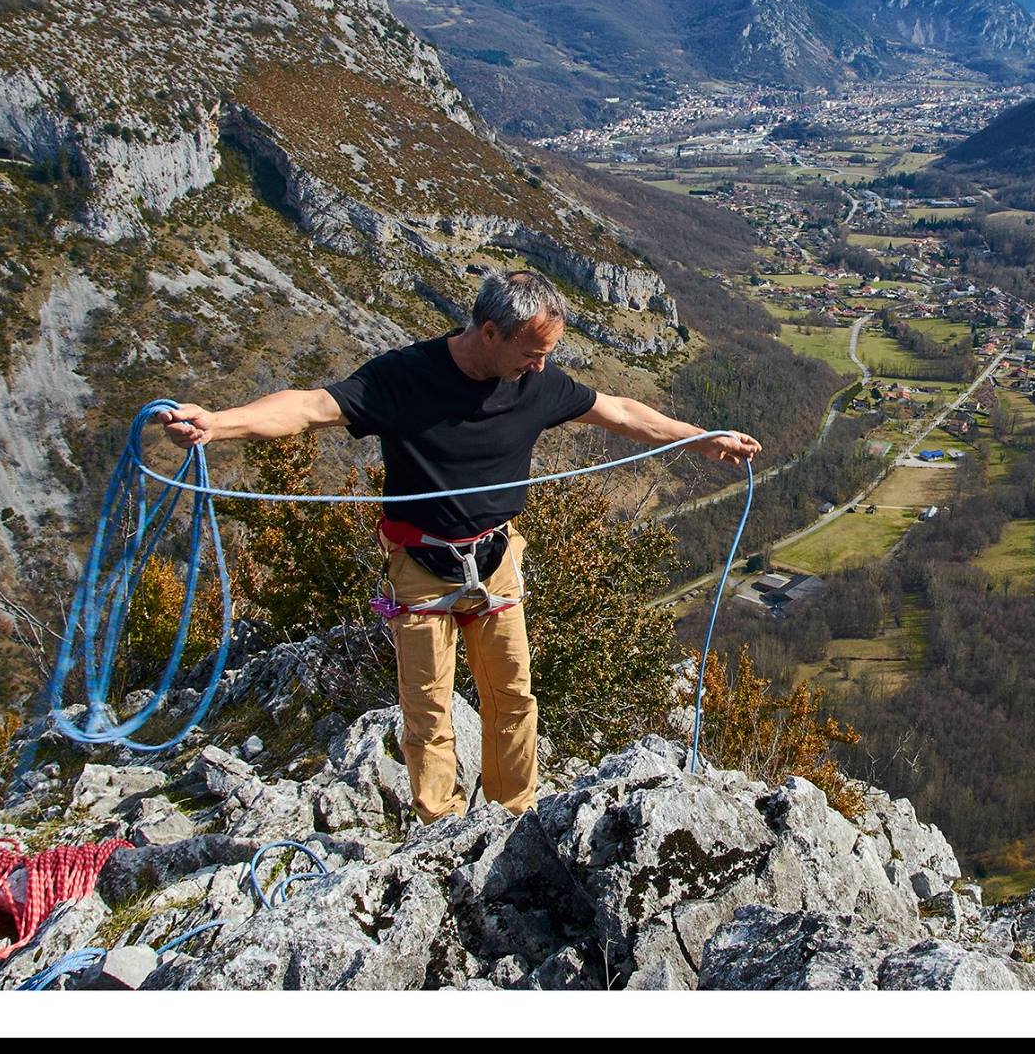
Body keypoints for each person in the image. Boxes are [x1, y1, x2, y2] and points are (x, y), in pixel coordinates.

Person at [158, 269, 759, 823]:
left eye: (547, 355)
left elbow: (620, 411)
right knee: (428, 713)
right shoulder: (405, 378)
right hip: (421, 569)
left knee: (514, 698)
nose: (541, 367)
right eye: (532, 353)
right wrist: (219, 422)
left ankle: (516, 814)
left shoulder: (535, 381)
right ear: (490, 332)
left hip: (497, 562)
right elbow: (313, 408)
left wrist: (702, 439)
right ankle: (441, 830)